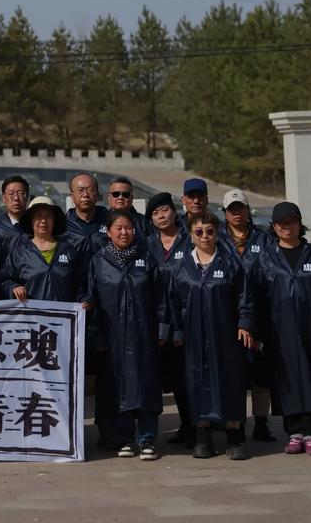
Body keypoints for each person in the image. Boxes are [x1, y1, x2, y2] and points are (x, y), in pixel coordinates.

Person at [249, 201, 311, 456]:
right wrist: (253, 330)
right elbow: (254, 299)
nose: (287, 227)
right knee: (287, 380)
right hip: (280, 332)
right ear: (274, 227)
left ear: (299, 224)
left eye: (291, 222)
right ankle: (294, 432)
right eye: (281, 224)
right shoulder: (265, 259)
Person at [166, 210, 257, 461]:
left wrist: (245, 323)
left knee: (230, 382)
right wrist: (175, 331)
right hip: (193, 336)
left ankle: (234, 435)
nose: (205, 236)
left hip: (225, 335)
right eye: (199, 232)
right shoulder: (181, 266)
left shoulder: (230, 263)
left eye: (210, 231)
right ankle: (202, 435)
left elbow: (244, 297)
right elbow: (172, 302)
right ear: (191, 235)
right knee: (197, 383)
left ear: (217, 233)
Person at [85, 210, 169, 460]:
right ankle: (124, 438)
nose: (124, 232)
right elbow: (92, 298)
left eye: (128, 227)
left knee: (146, 387)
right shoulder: (98, 261)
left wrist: (163, 329)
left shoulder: (147, 258)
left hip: (144, 335)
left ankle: (147, 438)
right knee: (116, 388)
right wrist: (95, 334)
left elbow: (160, 298)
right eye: (118, 228)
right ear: (108, 232)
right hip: (113, 339)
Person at [221, 189, 276, 442]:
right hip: (228, 315)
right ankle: (237, 423)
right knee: (234, 373)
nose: (236, 213)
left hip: (261, 315)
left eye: (240, 208)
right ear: (225, 213)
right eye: (231, 209)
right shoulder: (217, 238)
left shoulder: (263, 238)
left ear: (247, 209)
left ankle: (262, 422)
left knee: (261, 373)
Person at [142, 192, 194, 447]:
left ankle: (198, 425)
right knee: (173, 377)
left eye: (164, 210)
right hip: (159, 320)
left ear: (174, 212)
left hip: (188, 317)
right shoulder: (147, 244)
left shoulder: (190, 239)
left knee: (190, 375)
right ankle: (185, 425)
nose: (161, 216)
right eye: (155, 213)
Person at [0, 197, 89, 304]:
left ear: (54, 220)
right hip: (30, 316)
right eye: (38, 216)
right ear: (31, 220)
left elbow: (81, 283)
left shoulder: (68, 250)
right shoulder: (19, 252)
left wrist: (84, 299)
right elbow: (4, 280)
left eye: (48, 216)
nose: (43, 221)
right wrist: (14, 287)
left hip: (63, 317)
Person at [65, 173, 107, 244]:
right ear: (72, 196)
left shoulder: (110, 221)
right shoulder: (64, 225)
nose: (85, 195)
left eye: (90, 190)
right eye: (80, 190)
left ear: (97, 195)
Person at [0, 175, 31, 241]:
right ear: (4, 198)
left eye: (20, 193)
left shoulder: (35, 226)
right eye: (11, 194)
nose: (16, 198)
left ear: (27, 197)